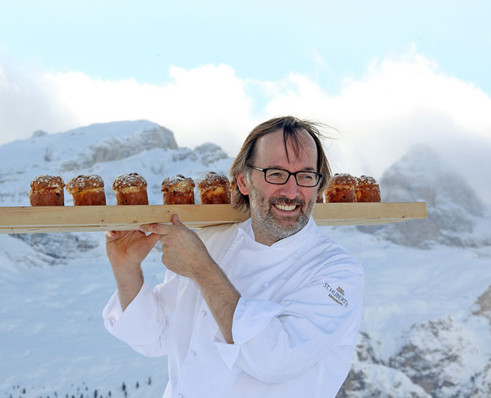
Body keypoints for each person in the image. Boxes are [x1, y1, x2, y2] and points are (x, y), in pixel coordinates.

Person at [102, 116, 364, 397]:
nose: (292, 191)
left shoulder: (338, 273)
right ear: (243, 181)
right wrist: (126, 267)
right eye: (275, 173)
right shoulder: (212, 241)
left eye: (306, 176)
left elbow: (274, 359)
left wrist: (203, 269)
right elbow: (157, 336)